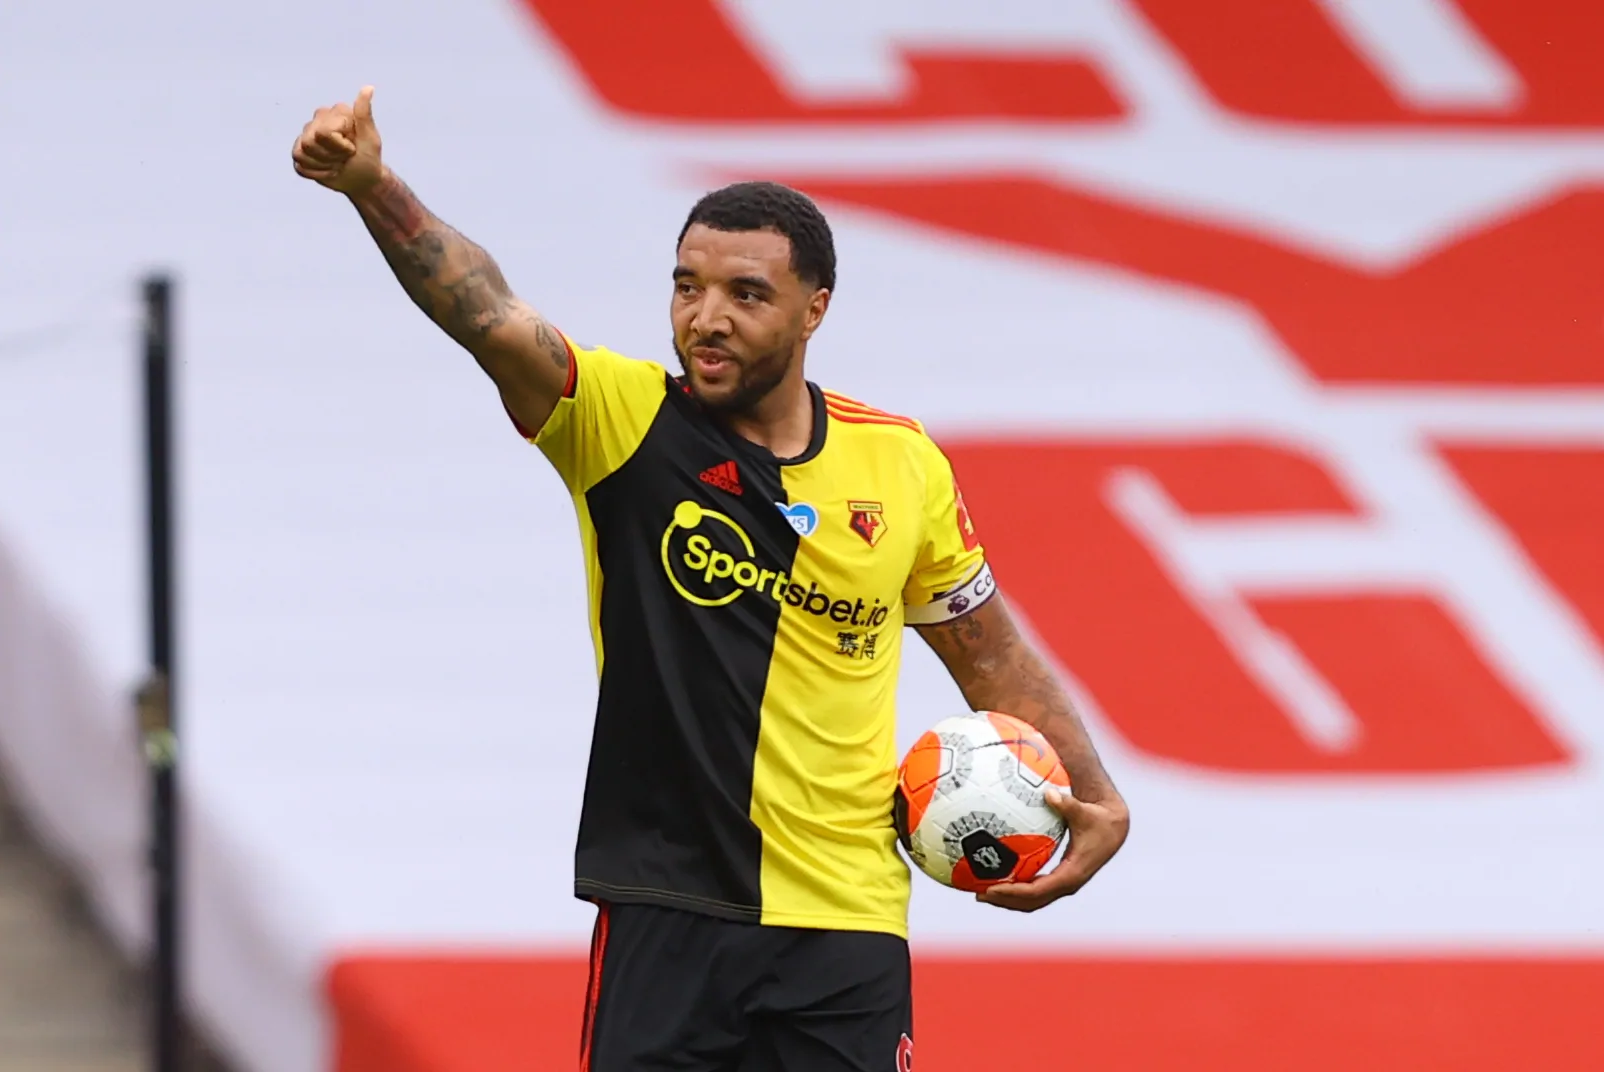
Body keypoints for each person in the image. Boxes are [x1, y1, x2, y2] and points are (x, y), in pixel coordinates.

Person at [291, 85, 1129, 1072]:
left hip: (846, 923)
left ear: (815, 309)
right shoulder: (623, 422)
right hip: (668, 909)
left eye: (746, 294)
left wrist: (1097, 795)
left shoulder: (902, 465)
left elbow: (989, 654)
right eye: (687, 287)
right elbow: (488, 313)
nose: (706, 319)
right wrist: (373, 185)